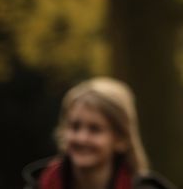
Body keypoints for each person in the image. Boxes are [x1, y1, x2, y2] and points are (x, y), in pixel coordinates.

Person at [21, 77, 175, 189]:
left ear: (121, 139)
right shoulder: (40, 185)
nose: (82, 138)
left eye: (95, 129)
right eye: (75, 127)